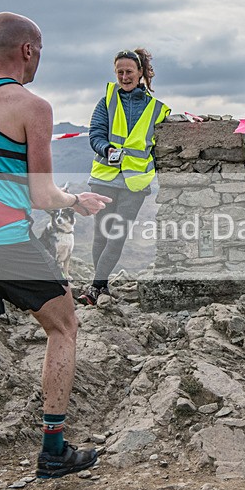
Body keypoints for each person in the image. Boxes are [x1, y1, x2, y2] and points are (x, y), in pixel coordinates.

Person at [0, 12, 111, 477]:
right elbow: (42, 195)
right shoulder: (33, 106)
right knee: (65, 325)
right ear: (28, 50)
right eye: (41, 50)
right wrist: (78, 201)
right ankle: (54, 450)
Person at [78, 48, 170, 305]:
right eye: (120, 72)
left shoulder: (157, 109)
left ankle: (95, 288)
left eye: (129, 71)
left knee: (116, 235)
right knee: (101, 234)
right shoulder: (106, 100)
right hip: (104, 178)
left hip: (135, 182)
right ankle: (101, 288)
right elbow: (95, 134)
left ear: (140, 73)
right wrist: (106, 149)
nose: (124, 76)